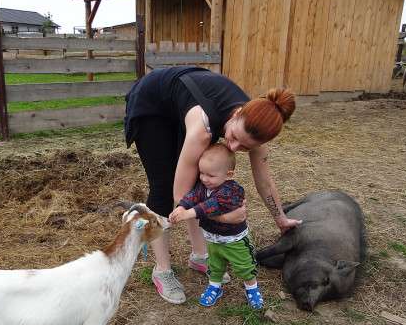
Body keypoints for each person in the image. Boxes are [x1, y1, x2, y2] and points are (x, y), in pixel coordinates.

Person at [124, 66, 301, 305]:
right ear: (237, 114)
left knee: (204, 180)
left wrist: (280, 219)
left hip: (181, 103)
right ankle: (162, 270)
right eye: (235, 137)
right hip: (152, 103)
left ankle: (200, 256)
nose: (235, 148)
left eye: (245, 147)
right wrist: (223, 218)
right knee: (163, 189)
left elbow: (264, 181)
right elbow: (180, 196)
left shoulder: (255, 125)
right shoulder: (203, 129)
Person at [169, 143, 263, 309]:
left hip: (234, 240)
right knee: (215, 265)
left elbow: (211, 205)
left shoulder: (232, 190)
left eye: (210, 175)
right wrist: (182, 206)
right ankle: (214, 286)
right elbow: (192, 196)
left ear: (228, 174)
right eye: (202, 173)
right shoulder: (204, 187)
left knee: (244, 265)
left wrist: (189, 213)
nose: (204, 179)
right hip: (212, 239)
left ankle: (252, 288)